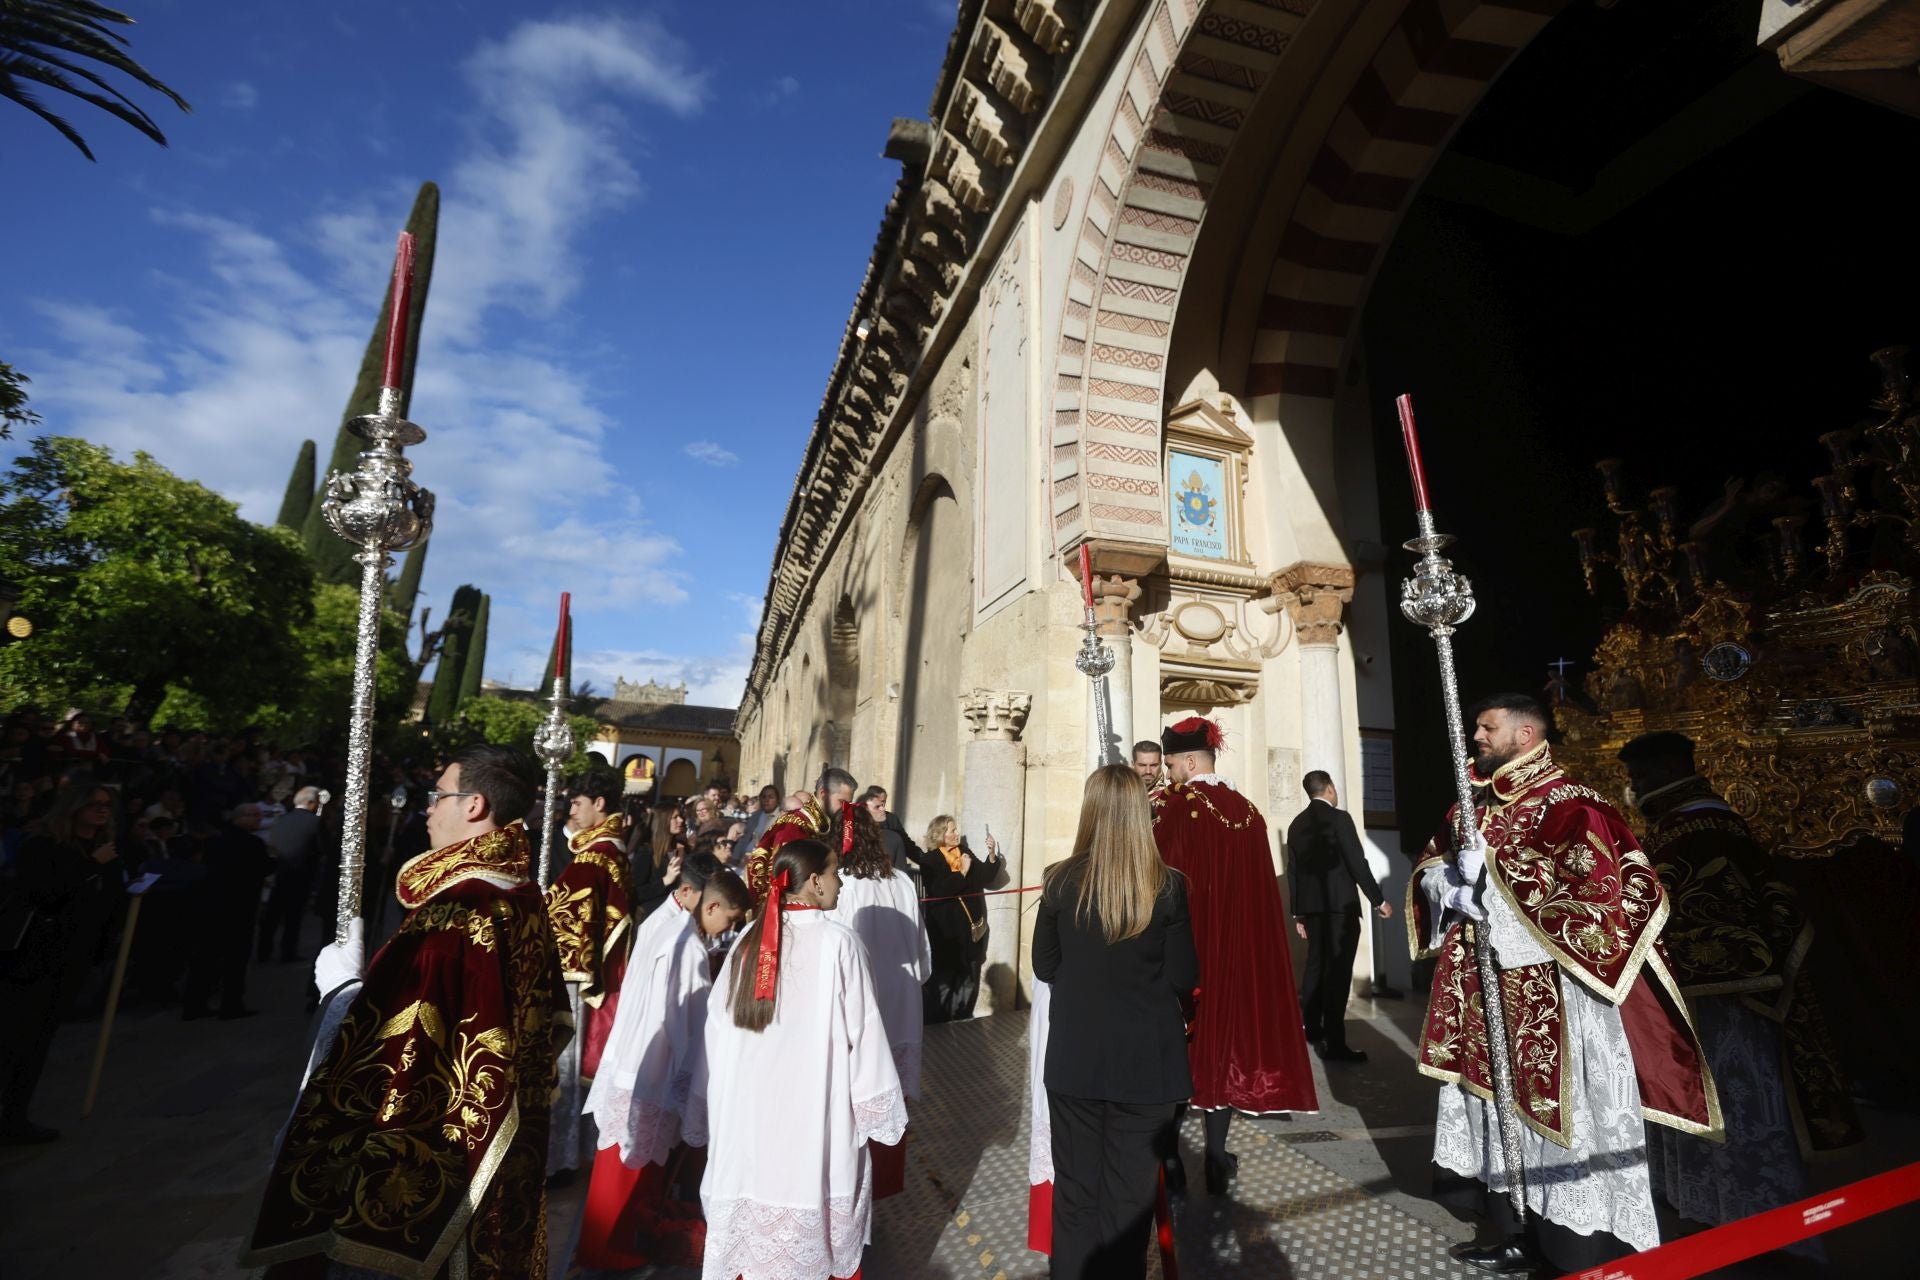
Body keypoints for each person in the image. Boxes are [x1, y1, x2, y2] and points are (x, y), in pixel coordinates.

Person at [1408, 695, 1716, 1276]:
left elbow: (1611, 892)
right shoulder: (1472, 806)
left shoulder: (1572, 804)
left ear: (1526, 734)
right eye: (1475, 725)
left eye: (1486, 726)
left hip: (1555, 989)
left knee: (1564, 1114)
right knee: (1497, 1113)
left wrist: (1496, 880)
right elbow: (1430, 868)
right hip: (1485, 986)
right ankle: (1515, 1227)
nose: (1475, 734)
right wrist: (1446, 886)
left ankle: (1581, 1243)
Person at [242, 745, 568, 1280]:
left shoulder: (455, 913)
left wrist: (343, 990)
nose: (428, 808)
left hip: (430, 1155)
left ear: (474, 805)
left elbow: (387, 1047)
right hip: (494, 1151)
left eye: (438, 795)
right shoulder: (523, 896)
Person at [1619, 731, 1860, 1232]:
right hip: (1697, 996)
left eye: (1641, 777)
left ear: (1667, 771)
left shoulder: (1698, 829)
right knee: (1704, 1100)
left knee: (1737, 1102)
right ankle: (1709, 1204)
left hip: (1731, 998)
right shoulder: (1691, 824)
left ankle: (1759, 1219)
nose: (1636, 788)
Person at [686, 838, 905, 1280]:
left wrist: (710, 1104)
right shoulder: (839, 944)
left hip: (749, 1124)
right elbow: (863, 1038)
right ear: (815, 881)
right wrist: (876, 1110)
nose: (841, 882)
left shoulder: (747, 941)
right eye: (835, 871)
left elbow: (715, 1033)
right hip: (811, 1121)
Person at [1034, 765, 1197, 1280]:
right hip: (1145, 1065)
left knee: (1077, 1197)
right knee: (1128, 1208)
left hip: (1076, 1060)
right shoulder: (1166, 887)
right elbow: (1183, 975)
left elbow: (1045, 965)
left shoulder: (1060, 881)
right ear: (1141, 815)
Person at [1152, 716, 1315, 1195]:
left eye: (1169, 764)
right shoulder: (1246, 809)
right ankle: (1218, 1158)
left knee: (1181, 1049)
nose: (1167, 773)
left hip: (1191, 948)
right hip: (1239, 951)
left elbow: (1164, 880)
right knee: (1223, 1049)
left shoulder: (1179, 807)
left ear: (1187, 760)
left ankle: (1171, 1159)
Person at [577, 866, 752, 1270]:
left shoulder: (663, 920)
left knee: (618, 1165)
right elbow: (686, 1025)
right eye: (729, 919)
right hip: (655, 1072)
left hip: (631, 1063)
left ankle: (601, 1248)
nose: (729, 928)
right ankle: (615, 1253)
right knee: (632, 1171)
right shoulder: (688, 947)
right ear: (710, 905)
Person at [0, 782, 121, 1144]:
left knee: (38, 1042)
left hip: (73, 957)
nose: (102, 811)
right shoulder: (44, 846)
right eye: (94, 804)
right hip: (35, 957)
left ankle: (15, 1116)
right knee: (16, 1039)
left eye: (106, 806)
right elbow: (43, 892)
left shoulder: (102, 849)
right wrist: (90, 866)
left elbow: (106, 895)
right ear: (73, 808)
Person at [545, 765, 638, 1179]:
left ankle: (561, 1157)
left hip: (578, 984)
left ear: (600, 805)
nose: (571, 810)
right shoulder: (608, 851)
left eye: (578, 803)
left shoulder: (595, 857)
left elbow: (561, 925)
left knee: (564, 1067)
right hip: (598, 979)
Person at [836, 805, 933, 1198]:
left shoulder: (841, 883)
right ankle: (889, 1180)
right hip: (903, 996)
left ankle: (855, 1187)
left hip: (861, 1002)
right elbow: (922, 951)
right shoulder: (901, 881)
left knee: (857, 1094)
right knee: (894, 1095)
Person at [1286, 770, 1390, 1061]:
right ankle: (1335, 1042)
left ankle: (1312, 1030)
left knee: (1316, 967)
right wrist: (1378, 900)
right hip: (1340, 907)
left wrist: (1298, 914)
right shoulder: (1340, 818)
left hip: (1312, 910)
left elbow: (1293, 872)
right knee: (1338, 973)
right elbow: (1357, 862)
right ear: (1330, 788)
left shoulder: (1296, 825)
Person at [183, 802, 273, 1021]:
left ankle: (195, 1004)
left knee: (207, 956)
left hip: (213, 906)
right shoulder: (252, 843)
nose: (259, 820)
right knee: (235, 959)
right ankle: (230, 1004)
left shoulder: (215, 842)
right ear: (241, 818)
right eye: (255, 816)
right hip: (239, 907)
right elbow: (262, 868)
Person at [913, 814, 998, 1023]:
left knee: (969, 976)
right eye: (952, 830)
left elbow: (984, 877)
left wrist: (992, 855)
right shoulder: (930, 860)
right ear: (940, 834)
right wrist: (961, 874)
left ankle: (962, 1018)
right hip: (947, 932)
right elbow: (938, 890)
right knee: (945, 980)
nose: (956, 833)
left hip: (969, 929)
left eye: (956, 829)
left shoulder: (964, 853)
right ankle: (939, 1024)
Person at [257, 785, 324, 964]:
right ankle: (288, 952)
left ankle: (263, 951)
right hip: (301, 874)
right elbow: (320, 848)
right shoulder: (315, 822)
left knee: (273, 915)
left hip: (280, 872)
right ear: (310, 802)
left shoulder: (282, 819)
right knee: (293, 917)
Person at [746, 788, 828, 904]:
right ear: (783, 812)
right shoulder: (781, 832)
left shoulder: (811, 830)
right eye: (798, 811)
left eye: (808, 808)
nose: (804, 815)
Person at [858, 784, 918, 875]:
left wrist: (925, 859)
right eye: (878, 804)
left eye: (884, 802)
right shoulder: (852, 825)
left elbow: (907, 845)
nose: (883, 807)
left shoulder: (891, 820)